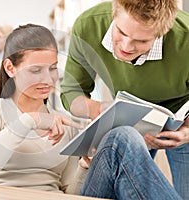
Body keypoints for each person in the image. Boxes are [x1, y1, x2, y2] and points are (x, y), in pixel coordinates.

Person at [0, 24, 182, 199]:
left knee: (123, 136)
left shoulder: (63, 122)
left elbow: (71, 192)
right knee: (123, 138)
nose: (47, 79)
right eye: (35, 70)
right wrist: (29, 120)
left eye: (52, 68)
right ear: (10, 68)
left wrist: (85, 165)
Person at [60, 0, 189, 199]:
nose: (126, 46)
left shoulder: (186, 38)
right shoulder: (88, 26)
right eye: (121, 32)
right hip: (128, 116)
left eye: (142, 41)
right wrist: (97, 109)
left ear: (162, 32)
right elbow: (70, 91)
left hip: (180, 119)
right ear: (114, 14)